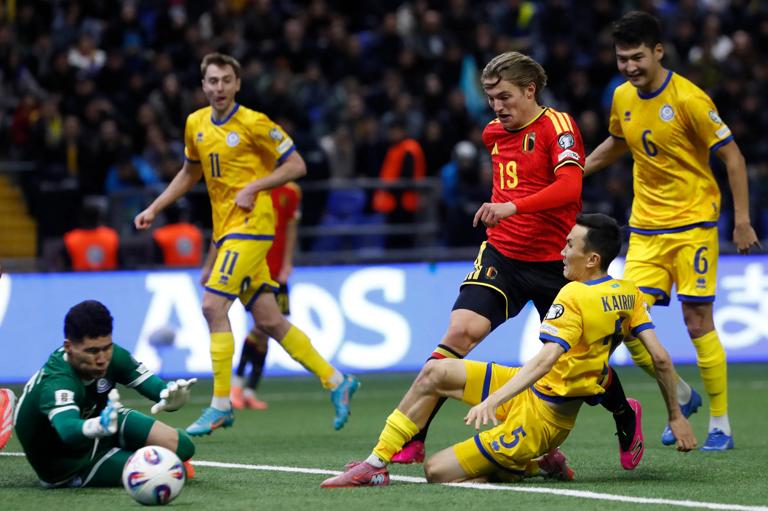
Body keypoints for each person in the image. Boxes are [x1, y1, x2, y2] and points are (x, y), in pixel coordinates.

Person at [385, 51, 642, 471]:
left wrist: (513, 207)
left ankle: (624, 413)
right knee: (460, 332)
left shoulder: (558, 127)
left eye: (504, 96)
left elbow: (570, 188)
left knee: (581, 369)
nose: (497, 107)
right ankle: (414, 435)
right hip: (503, 254)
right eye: (491, 98)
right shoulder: (493, 133)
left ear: (529, 90)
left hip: (558, 263)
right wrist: (507, 213)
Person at [321, 214, 697, 487]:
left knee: (436, 472)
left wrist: (493, 400)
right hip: (529, 389)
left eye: (569, 245)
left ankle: (533, 464)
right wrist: (676, 416)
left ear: (592, 259)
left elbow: (546, 359)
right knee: (435, 371)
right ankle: (376, 463)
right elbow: (661, 359)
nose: (562, 251)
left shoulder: (574, 295)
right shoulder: (629, 293)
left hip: (542, 421)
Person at [134, 52, 359, 436]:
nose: (219, 87)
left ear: (237, 84)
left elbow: (297, 165)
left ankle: (221, 405)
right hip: (227, 231)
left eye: (226, 80)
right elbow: (189, 173)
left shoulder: (255, 123)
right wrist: (155, 207)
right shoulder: (195, 124)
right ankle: (337, 380)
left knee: (212, 306)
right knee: (269, 320)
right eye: (212, 81)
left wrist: (255, 186)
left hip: (253, 227)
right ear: (203, 85)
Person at [584, 11, 761, 451]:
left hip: (694, 224)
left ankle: (720, 424)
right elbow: (619, 142)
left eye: (637, 57)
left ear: (658, 51)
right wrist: (575, 172)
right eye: (622, 58)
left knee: (697, 320)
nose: (629, 66)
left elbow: (733, 157)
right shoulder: (621, 96)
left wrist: (741, 221)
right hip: (646, 227)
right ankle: (681, 393)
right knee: (626, 320)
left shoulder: (689, 99)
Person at [13, 300, 197, 487]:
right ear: (68, 347)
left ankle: (128, 451)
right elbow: (68, 430)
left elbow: (151, 384)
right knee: (165, 472)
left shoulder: (113, 355)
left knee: (184, 446)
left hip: (104, 420)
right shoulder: (58, 382)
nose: (102, 359)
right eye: (92, 351)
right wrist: (99, 425)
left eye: (107, 347)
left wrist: (167, 395)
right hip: (70, 462)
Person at [230, 181, 302, 410]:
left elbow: (290, 229)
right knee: (263, 326)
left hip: (279, 271)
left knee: (268, 331)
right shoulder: (251, 185)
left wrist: (287, 263)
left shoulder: (291, 191)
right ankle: (237, 386)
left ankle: (249, 390)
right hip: (256, 269)